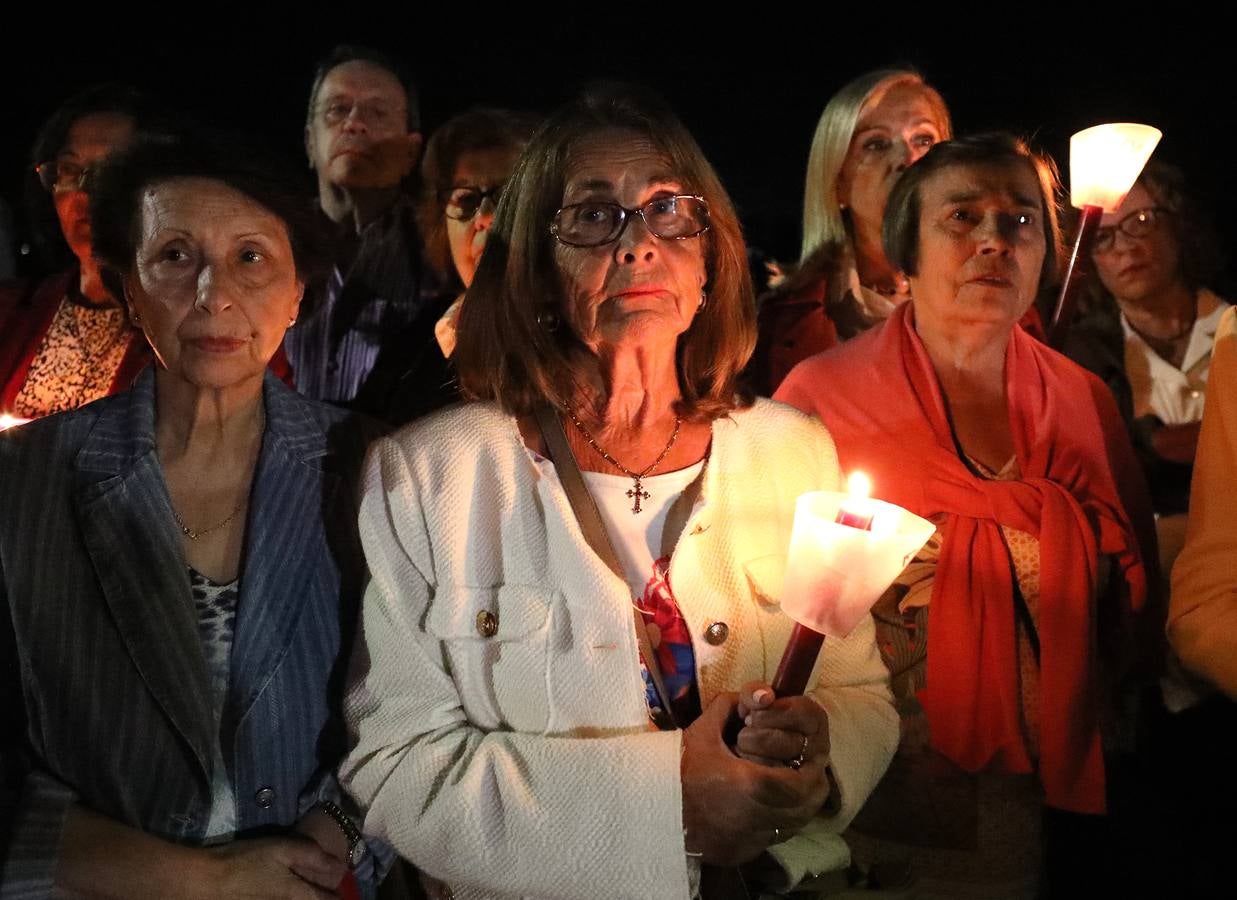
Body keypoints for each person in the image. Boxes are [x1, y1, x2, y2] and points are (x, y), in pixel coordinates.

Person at [341, 85, 898, 899]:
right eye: (594, 217)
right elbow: (394, 763)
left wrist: (813, 766)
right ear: (535, 267)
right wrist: (667, 806)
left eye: (670, 210)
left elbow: (857, 693)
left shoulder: (791, 451)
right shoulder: (431, 476)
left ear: (711, 259)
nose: (639, 244)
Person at [776, 134, 1157, 897]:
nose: (992, 239)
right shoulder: (818, 400)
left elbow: (1136, 605)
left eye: (1018, 221)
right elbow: (764, 614)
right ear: (904, 252)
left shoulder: (1082, 404)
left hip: (1035, 797)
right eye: (961, 217)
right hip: (863, 788)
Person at [0, 135, 380, 897]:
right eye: (174, 256)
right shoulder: (26, 478)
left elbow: (419, 706)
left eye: (251, 257)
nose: (214, 294)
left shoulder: (372, 467)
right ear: (130, 290)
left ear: (298, 291)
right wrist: (197, 880)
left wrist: (334, 834)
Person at [1064, 160, 1230, 581]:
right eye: (1103, 237)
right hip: (1152, 572)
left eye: (1140, 221)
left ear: (1177, 223)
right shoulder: (1081, 356)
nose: (1124, 247)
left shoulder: (1231, 322)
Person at [750, 68, 950, 395]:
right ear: (838, 182)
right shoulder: (788, 322)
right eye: (876, 144)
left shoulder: (992, 295)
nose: (908, 158)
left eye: (924, 139)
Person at [353, 107, 539, 426]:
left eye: (508, 197)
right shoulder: (414, 346)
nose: (485, 217)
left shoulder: (588, 338)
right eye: (466, 199)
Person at [284, 44, 439, 406]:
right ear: (310, 142)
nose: (354, 123)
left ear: (410, 152)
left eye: (378, 112)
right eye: (337, 110)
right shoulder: (267, 243)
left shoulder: (442, 255)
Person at [0, 85, 147, 420]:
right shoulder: (10, 313)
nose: (86, 193)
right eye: (69, 170)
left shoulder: (196, 327)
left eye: (112, 172)